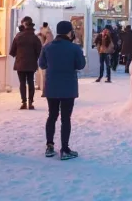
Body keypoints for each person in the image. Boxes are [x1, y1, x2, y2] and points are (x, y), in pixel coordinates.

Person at [39, 21, 86, 160]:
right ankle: (65, 149)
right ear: (69, 32)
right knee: (66, 118)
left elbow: (42, 64)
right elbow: (81, 65)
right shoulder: (74, 48)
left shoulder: (47, 47)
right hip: (68, 87)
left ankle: (49, 146)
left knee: (52, 115)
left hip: (52, 86)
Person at [9, 16, 43, 110]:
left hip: (20, 63)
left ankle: (23, 102)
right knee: (31, 82)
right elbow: (39, 51)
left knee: (22, 83)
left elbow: (12, 51)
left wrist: (19, 55)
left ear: (23, 24)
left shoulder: (18, 36)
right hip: (31, 63)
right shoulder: (35, 37)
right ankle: (31, 102)